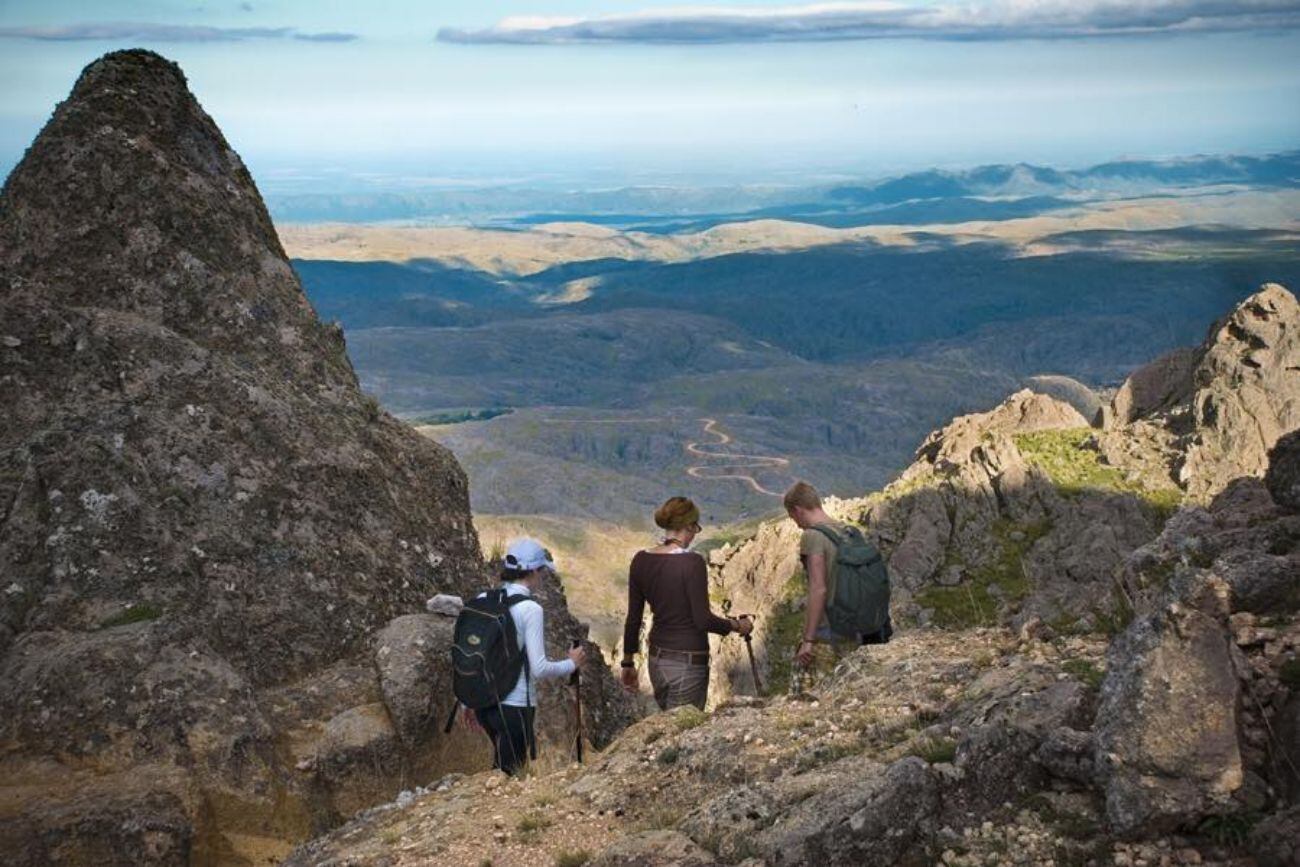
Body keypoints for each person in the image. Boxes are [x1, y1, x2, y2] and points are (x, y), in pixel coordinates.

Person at [620, 496, 752, 710]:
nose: (694, 534)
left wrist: (627, 662)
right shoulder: (692, 563)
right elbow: (702, 619)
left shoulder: (640, 560)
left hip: (657, 660)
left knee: (668, 722)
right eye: (695, 528)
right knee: (681, 729)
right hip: (688, 662)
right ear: (688, 526)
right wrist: (737, 626)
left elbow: (633, 618)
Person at [471, 538, 585, 775]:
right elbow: (539, 668)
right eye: (542, 571)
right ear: (533, 571)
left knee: (499, 772)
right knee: (510, 776)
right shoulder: (531, 609)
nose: (543, 577)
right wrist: (571, 663)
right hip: (516, 705)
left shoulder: (484, 600)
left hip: (484, 704)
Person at [784, 481, 893, 670]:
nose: (797, 525)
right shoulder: (848, 531)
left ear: (798, 510)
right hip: (861, 625)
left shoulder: (812, 536)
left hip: (833, 628)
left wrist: (808, 640)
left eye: (793, 517)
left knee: (811, 686)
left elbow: (818, 589)